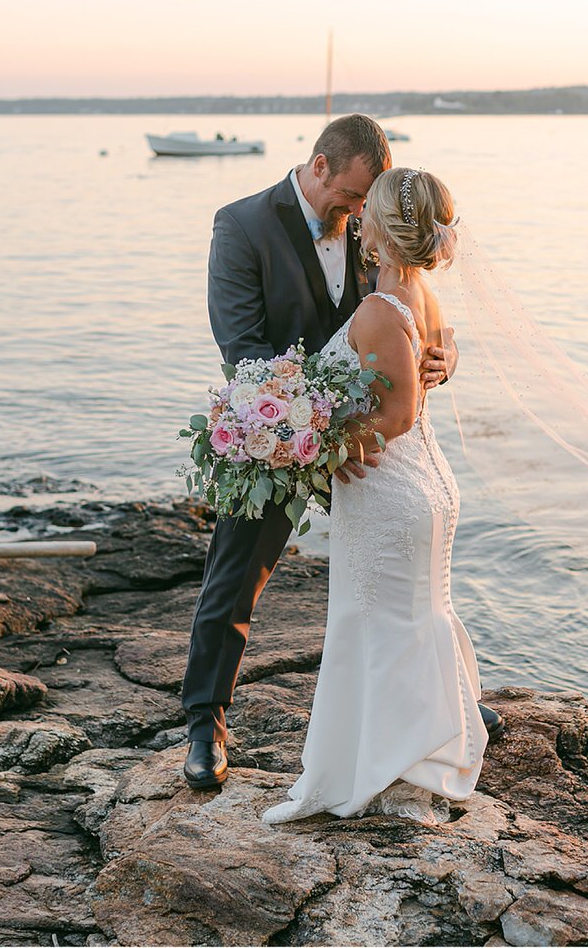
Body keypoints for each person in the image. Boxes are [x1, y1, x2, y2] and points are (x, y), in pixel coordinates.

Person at [181, 116, 469, 790]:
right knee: (236, 571)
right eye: (351, 196)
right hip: (285, 435)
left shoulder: (372, 227)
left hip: (371, 444)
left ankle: (441, 707)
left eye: (369, 203)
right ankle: (205, 723)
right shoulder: (242, 225)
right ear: (319, 167)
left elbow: (409, 301)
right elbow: (242, 349)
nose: (359, 212)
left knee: (406, 575)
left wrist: (445, 350)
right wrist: (307, 429)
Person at [262, 167, 497, 826]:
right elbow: (420, 377)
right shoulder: (420, 296)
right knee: (413, 624)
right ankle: (415, 764)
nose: (357, 219)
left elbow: (394, 416)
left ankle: (397, 776)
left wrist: (310, 444)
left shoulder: (377, 308)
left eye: (366, 213)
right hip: (425, 486)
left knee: (379, 627)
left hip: (390, 490)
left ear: (378, 230)